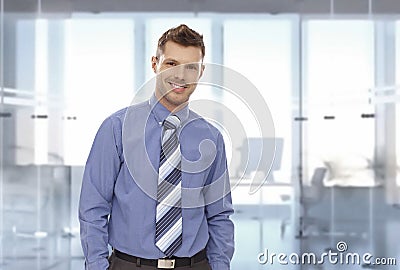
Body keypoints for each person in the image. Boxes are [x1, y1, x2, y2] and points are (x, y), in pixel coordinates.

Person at [79, 24, 234, 270]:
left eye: (190, 67)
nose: (181, 76)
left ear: (201, 72)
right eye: (171, 64)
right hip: (129, 264)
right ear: (155, 64)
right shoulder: (116, 128)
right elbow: (93, 209)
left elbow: (219, 215)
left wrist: (219, 266)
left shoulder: (211, 138)